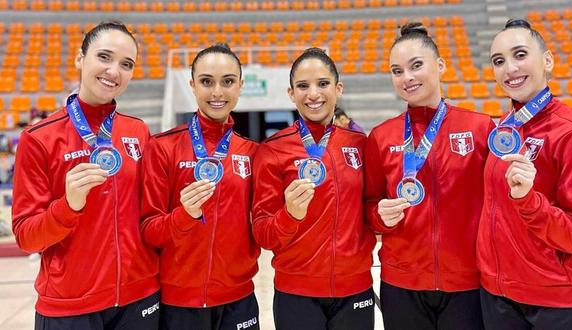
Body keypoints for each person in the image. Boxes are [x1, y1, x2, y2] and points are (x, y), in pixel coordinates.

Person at [11, 21, 159, 329]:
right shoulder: (39, 138)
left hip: (139, 298)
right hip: (70, 306)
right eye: (104, 57)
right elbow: (27, 237)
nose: (114, 71)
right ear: (81, 58)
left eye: (126, 64)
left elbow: (150, 216)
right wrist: (69, 206)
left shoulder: (138, 131)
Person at [364, 22, 494, 330]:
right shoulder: (381, 137)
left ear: (440, 65)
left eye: (416, 66)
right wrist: (380, 215)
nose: (406, 78)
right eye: (397, 71)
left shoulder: (480, 128)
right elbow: (369, 205)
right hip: (402, 284)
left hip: (468, 283)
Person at [252, 47, 376, 330]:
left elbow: (370, 210)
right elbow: (263, 233)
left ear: (338, 88)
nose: (313, 94)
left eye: (323, 84)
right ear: (291, 93)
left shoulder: (360, 144)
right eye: (303, 86)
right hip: (297, 294)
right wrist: (289, 215)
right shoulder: (272, 150)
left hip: (354, 289)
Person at [140, 43, 260, 330]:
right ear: (192, 85)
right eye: (207, 82)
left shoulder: (254, 153)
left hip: (239, 300)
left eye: (228, 81)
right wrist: (185, 215)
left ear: (240, 86)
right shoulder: (162, 147)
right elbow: (149, 230)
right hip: (179, 305)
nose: (217, 92)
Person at [477, 18, 572, 329]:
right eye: (499, 61)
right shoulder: (504, 127)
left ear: (547, 60)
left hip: (553, 300)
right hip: (497, 293)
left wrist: (528, 200)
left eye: (520, 55)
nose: (509, 68)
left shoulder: (570, 132)